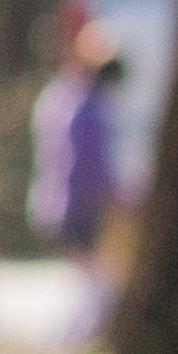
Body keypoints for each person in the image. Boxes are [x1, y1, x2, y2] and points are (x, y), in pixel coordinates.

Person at [27, 15, 126, 262]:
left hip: (66, 206)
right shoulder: (75, 102)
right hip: (72, 207)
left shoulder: (75, 97)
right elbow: (80, 158)